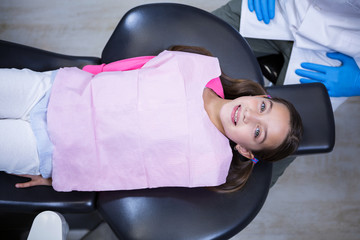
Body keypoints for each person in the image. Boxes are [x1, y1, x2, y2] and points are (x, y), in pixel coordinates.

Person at [0, 45, 303, 192]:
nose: (250, 116)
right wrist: (78, 76)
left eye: (258, 133)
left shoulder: (206, 164)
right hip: (54, 90)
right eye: (263, 108)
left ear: (247, 151)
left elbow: (126, 176)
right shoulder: (199, 65)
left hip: (48, 149)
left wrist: (56, 177)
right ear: (260, 96)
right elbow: (126, 68)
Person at [212, 0, 360, 186]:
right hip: (280, 8)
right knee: (187, 38)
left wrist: (358, 82)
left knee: (264, 167)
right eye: (262, 105)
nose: (248, 115)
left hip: (337, 57)